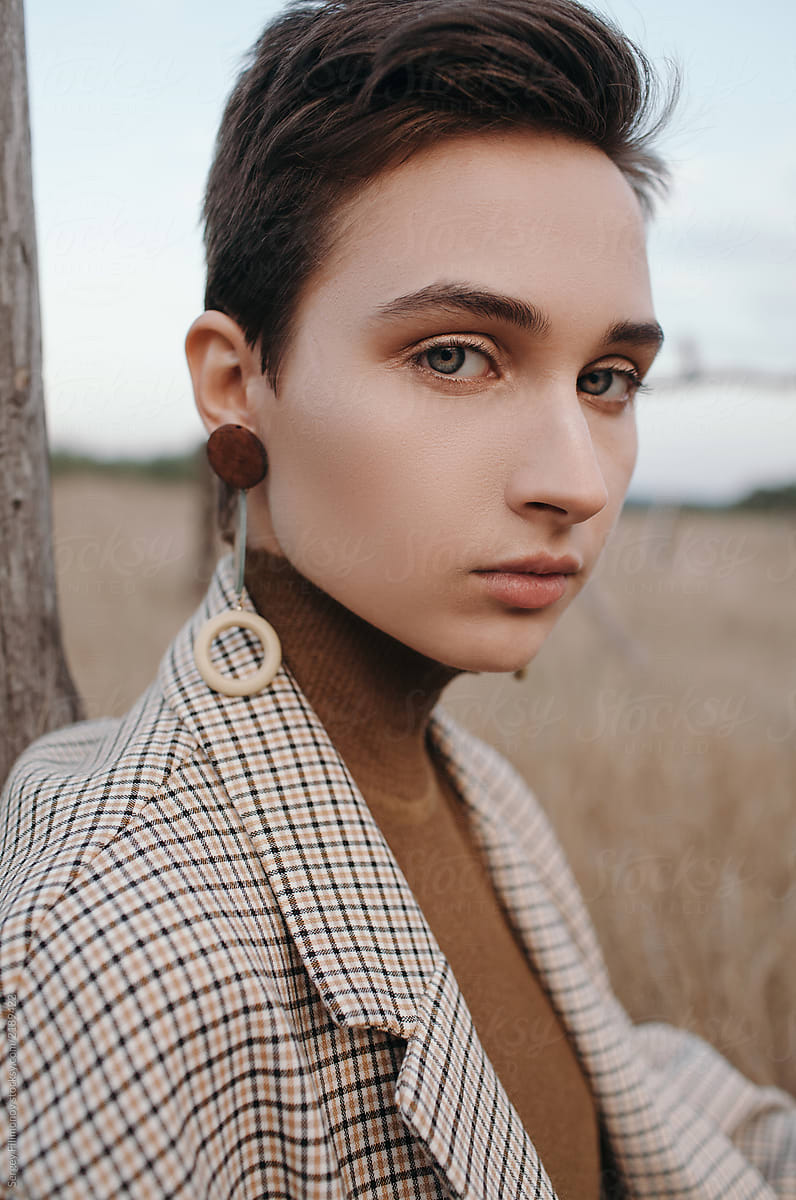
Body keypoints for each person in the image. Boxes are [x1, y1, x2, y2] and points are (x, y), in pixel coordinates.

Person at [1, 0, 794, 1196]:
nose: (574, 481)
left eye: (607, 379)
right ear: (235, 382)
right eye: (454, 355)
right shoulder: (122, 949)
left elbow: (617, 1094)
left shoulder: (474, 796)